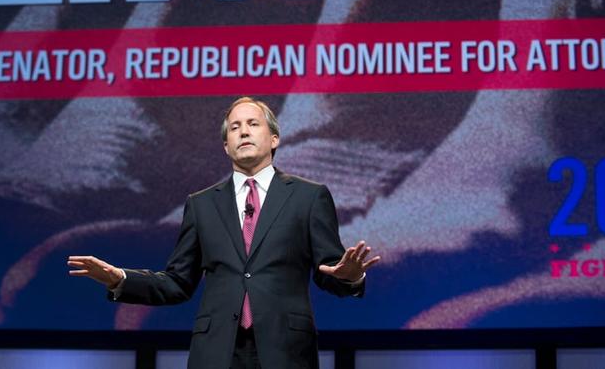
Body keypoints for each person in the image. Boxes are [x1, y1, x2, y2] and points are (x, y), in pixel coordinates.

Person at [68, 96, 380, 368]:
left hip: (285, 351)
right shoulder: (201, 205)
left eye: (253, 124)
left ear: (274, 139)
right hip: (216, 352)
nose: (243, 130)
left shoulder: (309, 197)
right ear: (226, 146)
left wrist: (350, 276)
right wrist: (120, 279)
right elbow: (178, 283)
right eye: (235, 127)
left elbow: (329, 271)